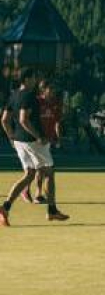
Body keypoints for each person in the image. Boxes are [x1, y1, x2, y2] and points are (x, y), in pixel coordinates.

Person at [0, 71, 70, 226]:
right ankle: (52, 211)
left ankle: (5, 207)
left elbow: (4, 120)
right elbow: (23, 120)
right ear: (26, 79)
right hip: (33, 141)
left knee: (29, 174)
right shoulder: (30, 96)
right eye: (33, 78)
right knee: (49, 172)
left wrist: (12, 138)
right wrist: (38, 136)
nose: (35, 80)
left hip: (19, 141)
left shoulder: (13, 95)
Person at [28, 79, 63, 204]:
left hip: (47, 140)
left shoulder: (56, 103)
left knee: (40, 169)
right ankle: (38, 194)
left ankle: (30, 191)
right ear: (43, 90)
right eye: (50, 88)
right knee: (42, 168)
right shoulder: (36, 102)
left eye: (53, 88)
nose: (52, 91)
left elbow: (57, 122)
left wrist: (58, 138)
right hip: (37, 139)